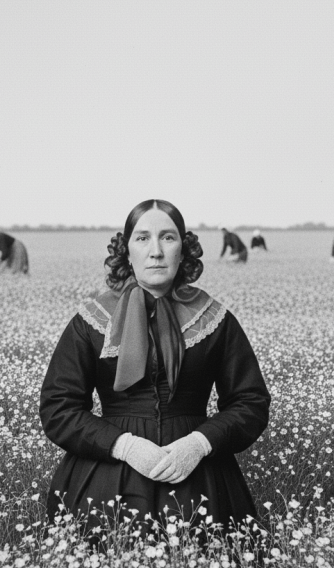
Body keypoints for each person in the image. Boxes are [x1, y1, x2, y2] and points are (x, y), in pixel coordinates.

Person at [39, 199, 270, 535]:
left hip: (200, 476)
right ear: (126, 251)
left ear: (184, 249)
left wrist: (199, 444)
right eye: (143, 238)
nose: (156, 252)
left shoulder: (215, 318)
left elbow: (251, 401)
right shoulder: (90, 321)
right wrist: (125, 446)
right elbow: (57, 407)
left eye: (168, 237)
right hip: (106, 478)